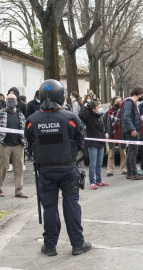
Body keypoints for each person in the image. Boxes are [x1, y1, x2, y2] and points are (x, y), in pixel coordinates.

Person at [26, 79, 91, 256]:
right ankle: (77, 244)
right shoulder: (70, 118)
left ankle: (50, 246)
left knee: (50, 208)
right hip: (67, 169)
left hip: (45, 170)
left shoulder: (32, 120)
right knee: (71, 206)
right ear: (61, 96)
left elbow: (30, 144)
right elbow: (80, 141)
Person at [0, 94, 28, 198]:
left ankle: (19, 191)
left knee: (19, 168)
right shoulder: (1, 113)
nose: (11, 101)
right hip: (4, 144)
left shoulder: (20, 114)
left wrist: (24, 142)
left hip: (18, 145)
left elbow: (24, 129)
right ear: (6, 101)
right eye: (9, 99)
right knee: (2, 167)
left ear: (16, 101)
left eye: (13, 99)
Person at [78, 101, 109, 190]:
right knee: (93, 163)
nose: (100, 108)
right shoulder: (88, 117)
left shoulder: (100, 116)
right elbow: (80, 114)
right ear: (93, 109)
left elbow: (104, 126)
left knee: (99, 163)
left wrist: (106, 132)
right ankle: (92, 181)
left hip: (101, 142)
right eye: (98, 107)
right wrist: (85, 107)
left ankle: (99, 180)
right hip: (93, 143)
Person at [121, 86, 143, 180]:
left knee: (131, 151)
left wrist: (140, 124)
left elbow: (132, 117)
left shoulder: (131, 102)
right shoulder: (129, 102)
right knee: (133, 152)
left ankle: (129, 172)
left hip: (132, 129)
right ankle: (133, 173)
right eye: (142, 94)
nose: (142, 96)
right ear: (139, 93)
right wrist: (133, 129)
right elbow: (126, 117)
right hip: (132, 131)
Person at [104, 96, 127, 177]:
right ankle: (110, 170)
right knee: (110, 154)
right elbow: (105, 123)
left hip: (121, 135)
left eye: (120, 101)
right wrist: (106, 132)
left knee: (123, 153)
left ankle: (124, 169)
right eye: (117, 102)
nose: (119, 103)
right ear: (113, 103)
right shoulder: (108, 112)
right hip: (112, 135)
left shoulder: (123, 112)